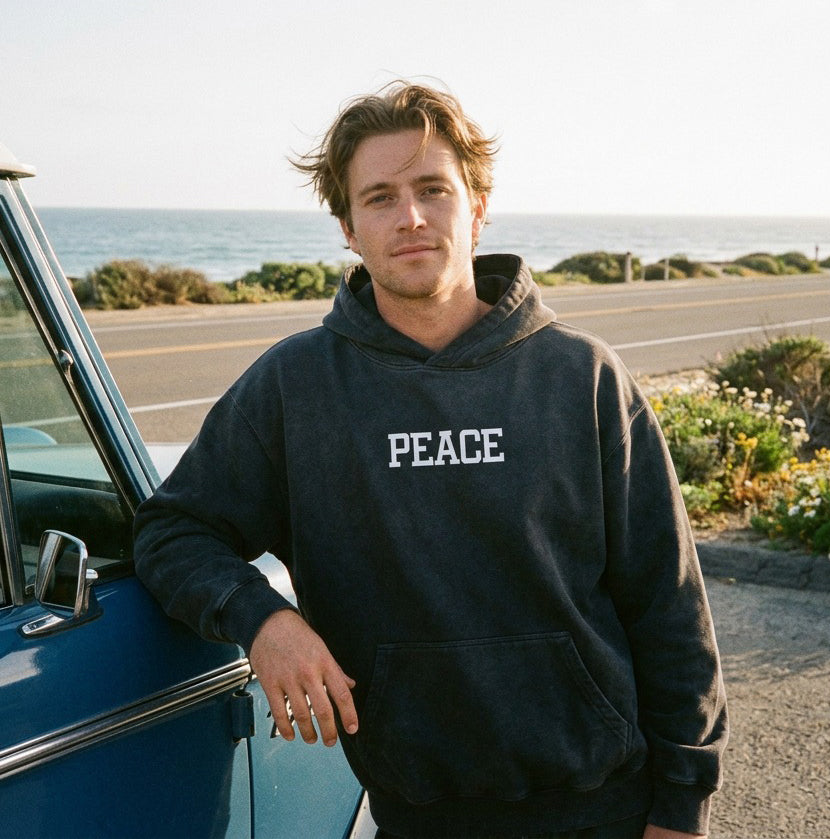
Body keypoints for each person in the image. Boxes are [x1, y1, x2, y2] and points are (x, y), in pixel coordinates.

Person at [134, 82, 728, 839]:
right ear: (348, 227)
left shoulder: (582, 378)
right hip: (416, 817)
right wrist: (264, 619)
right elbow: (172, 530)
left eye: (432, 190)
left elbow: (671, 610)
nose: (409, 217)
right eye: (379, 197)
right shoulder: (296, 387)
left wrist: (683, 809)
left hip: (604, 811)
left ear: (476, 207)